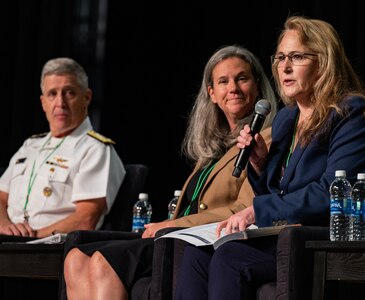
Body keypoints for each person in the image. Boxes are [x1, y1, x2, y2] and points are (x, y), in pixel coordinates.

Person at [174, 16, 365, 300]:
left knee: (231, 257)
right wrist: (260, 165)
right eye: (280, 58)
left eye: (297, 57)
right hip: (291, 235)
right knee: (196, 254)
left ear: (324, 61)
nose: (285, 67)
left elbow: (334, 192)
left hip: (338, 238)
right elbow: (278, 194)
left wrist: (255, 210)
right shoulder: (286, 119)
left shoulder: (351, 114)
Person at [63, 45, 278, 300]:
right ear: (212, 93)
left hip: (200, 240)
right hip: (177, 234)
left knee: (101, 262)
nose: (233, 87)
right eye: (223, 81)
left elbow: (241, 208)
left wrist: (171, 224)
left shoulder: (265, 138)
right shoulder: (215, 147)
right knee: (75, 258)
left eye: (242, 78)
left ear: (257, 86)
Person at [0, 57, 125, 239]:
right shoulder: (30, 145)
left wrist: (30, 238)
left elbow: (86, 219)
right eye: (52, 94)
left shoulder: (95, 149)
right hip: (9, 243)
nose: (60, 103)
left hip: (51, 250)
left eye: (69, 93)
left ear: (86, 97)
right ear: (43, 102)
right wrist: (4, 226)